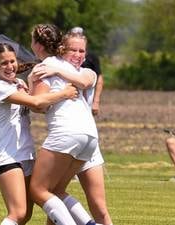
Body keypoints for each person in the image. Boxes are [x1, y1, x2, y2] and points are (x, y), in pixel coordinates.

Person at [0, 43, 77, 225]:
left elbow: (40, 107)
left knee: (26, 214)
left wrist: (31, 82)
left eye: (12, 61)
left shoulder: (18, 84)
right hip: (6, 156)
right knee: (18, 213)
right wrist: (64, 92)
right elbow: (36, 103)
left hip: (26, 155)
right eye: (3, 63)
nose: (9, 66)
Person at [32, 27, 113, 224]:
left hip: (68, 133)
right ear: (62, 49)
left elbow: (39, 104)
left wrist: (29, 88)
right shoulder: (62, 68)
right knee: (57, 191)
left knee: (38, 190)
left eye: (82, 51)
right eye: (73, 50)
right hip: (88, 137)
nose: (78, 55)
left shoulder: (67, 69)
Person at [71, 27, 104, 116]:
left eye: (80, 35)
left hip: (87, 96)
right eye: (74, 35)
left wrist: (96, 101)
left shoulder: (92, 57)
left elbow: (99, 78)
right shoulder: (65, 57)